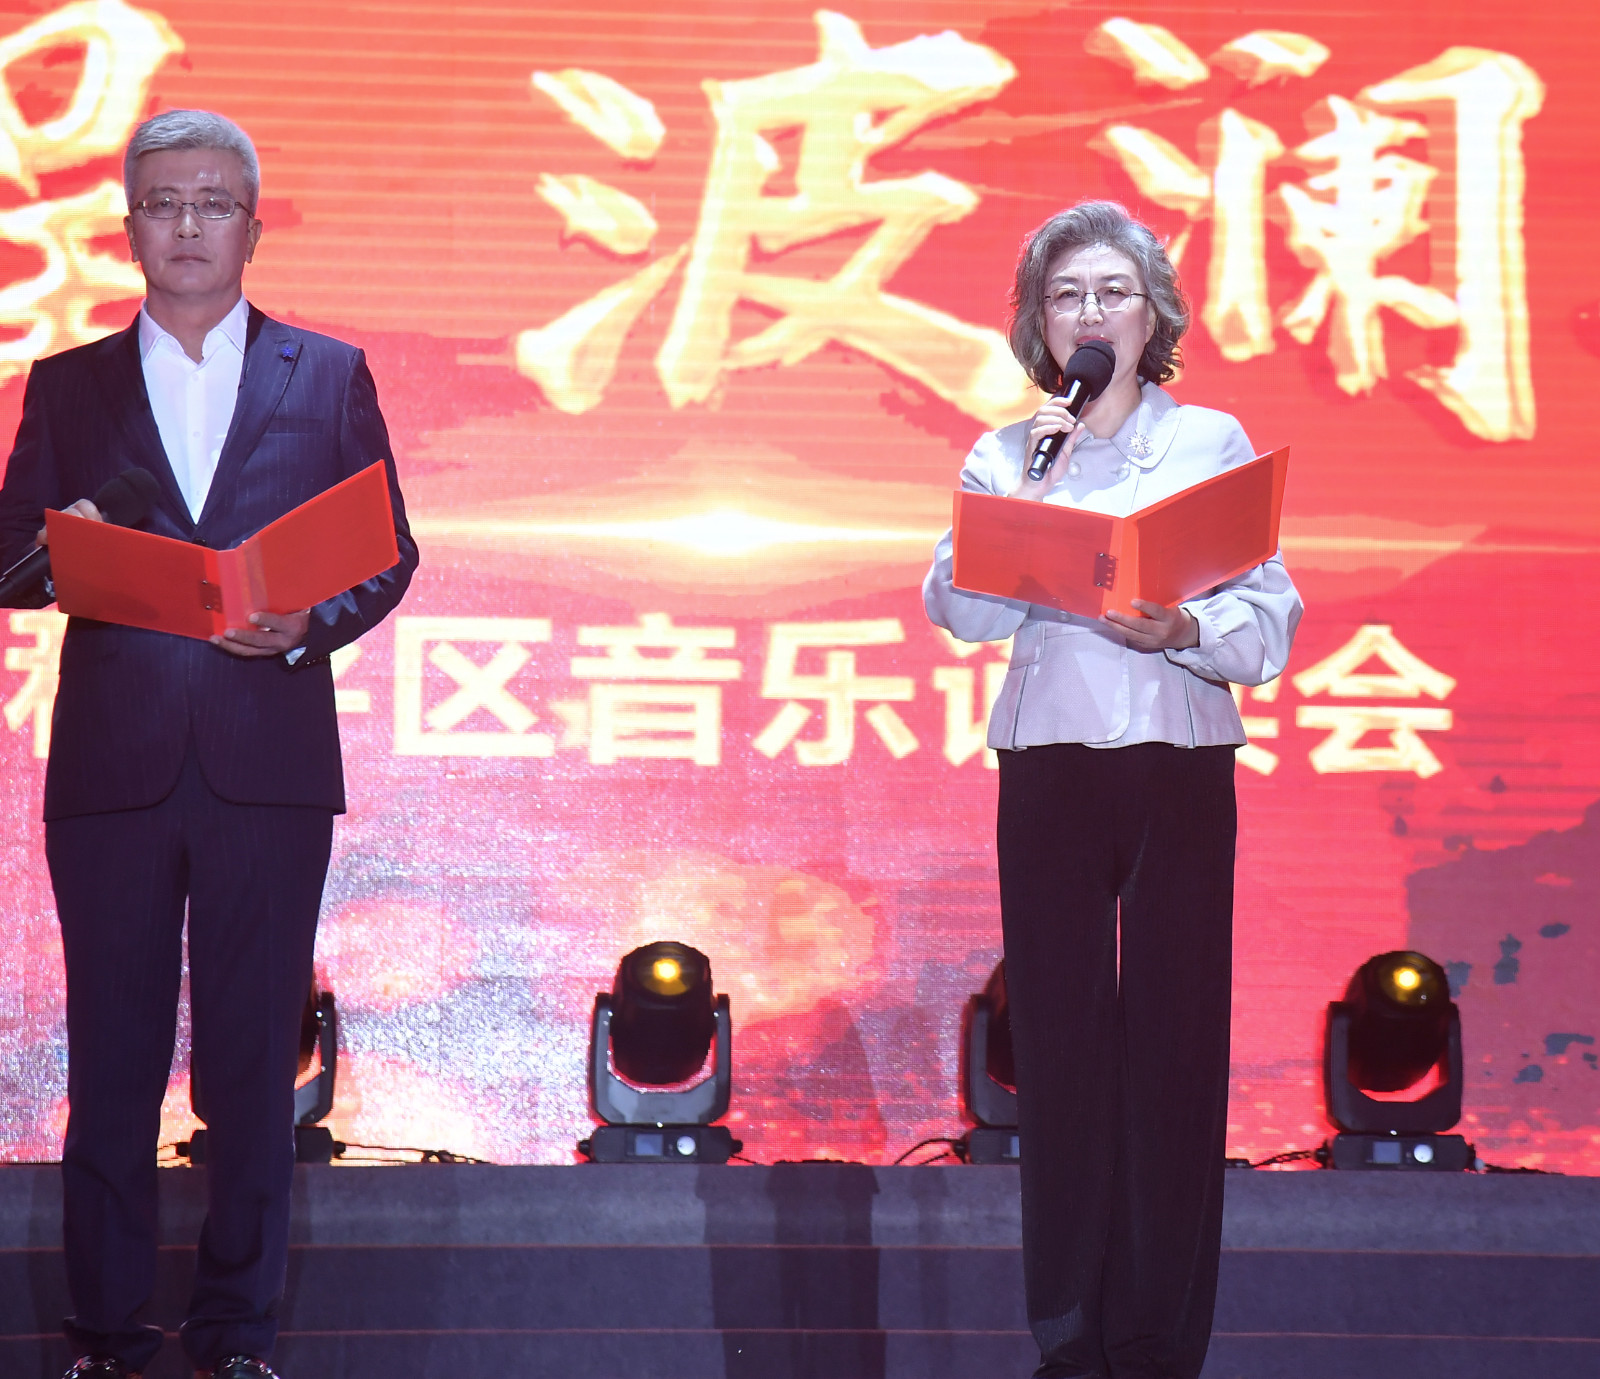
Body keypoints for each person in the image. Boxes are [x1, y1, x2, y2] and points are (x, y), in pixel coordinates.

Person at [0, 110, 418, 1379]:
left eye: (213, 203)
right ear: (128, 228)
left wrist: (307, 625)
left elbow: (387, 549)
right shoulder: (68, 383)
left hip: (265, 761)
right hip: (115, 766)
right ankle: (109, 1336)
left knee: (249, 1068)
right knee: (112, 1066)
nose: (187, 225)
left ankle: (236, 1336)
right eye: (163, 203)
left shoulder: (325, 373)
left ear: (252, 226)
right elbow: (11, 564)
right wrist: (56, 543)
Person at [924, 201, 1302, 1379]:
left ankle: (1157, 1335)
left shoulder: (1210, 440)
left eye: (1113, 292)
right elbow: (958, 605)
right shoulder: (1009, 450)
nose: (1090, 313)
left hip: (1176, 756)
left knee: (1176, 1038)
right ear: (1040, 324)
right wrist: (1032, 500)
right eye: (1067, 295)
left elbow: (1269, 617)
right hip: (1048, 762)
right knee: (1061, 1045)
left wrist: (1185, 627)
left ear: (1153, 317)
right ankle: (1069, 1330)